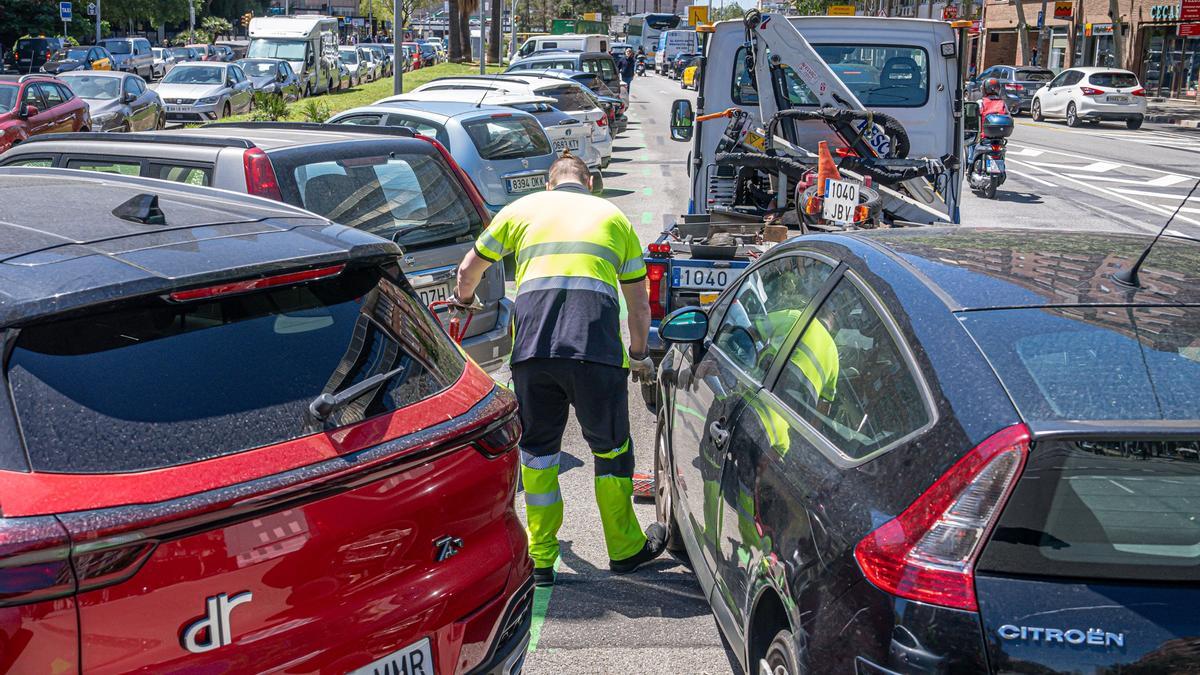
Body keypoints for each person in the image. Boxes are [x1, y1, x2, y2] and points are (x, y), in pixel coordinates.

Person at [452, 154, 664, 587]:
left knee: (538, 454)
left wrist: (464, 301)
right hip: (597, 354)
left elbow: (467, 270)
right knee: (612, 451)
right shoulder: (614, 217)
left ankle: (542, 556)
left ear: (550, 186)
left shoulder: (521, 210)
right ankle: (624, 549)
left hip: (534, 353)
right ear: (590, 183)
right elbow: (639, 303)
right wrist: (639, 353)